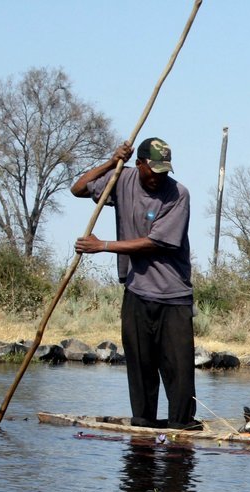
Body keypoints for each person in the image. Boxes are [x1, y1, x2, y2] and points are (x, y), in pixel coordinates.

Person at [71, 137, 200, 430]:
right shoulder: (123, 178)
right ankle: (142, 428)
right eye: (151, 169)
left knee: (179, 372)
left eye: (163, 171)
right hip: (136, 292)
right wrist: (112, 161)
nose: (157, 177)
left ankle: (181, 428)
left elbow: (157, 242)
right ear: (139, 164)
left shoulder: (178, 194)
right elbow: (78, 188)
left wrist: (102, 245)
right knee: (140, 369)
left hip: (174, 296)